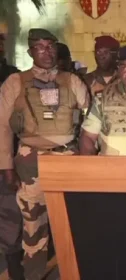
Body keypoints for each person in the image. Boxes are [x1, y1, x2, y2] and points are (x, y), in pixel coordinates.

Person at [0, 28, 90, 280]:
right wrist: (6, 167)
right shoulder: (15, 82)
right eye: (40, 47)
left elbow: (90, 119)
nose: (46, 52)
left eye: (50, 46)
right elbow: (3, 127)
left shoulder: (72, 81)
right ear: (30, 51)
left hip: (68, 159)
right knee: (33, 226)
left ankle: (72, 273)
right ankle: (34, 275)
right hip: (30, 161)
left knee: (72, 223)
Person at [0, 32, 24, 280]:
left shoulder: (11, 75)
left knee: (9, 212)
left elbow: (9, 125)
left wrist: (7, 164)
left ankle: (13, 262)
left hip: (6, 152)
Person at [84, 35, 120, 100]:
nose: (101, 56)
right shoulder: (87, 81)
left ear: (115, 55)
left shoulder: (125, 79)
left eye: (106, 52)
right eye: (98, 52)